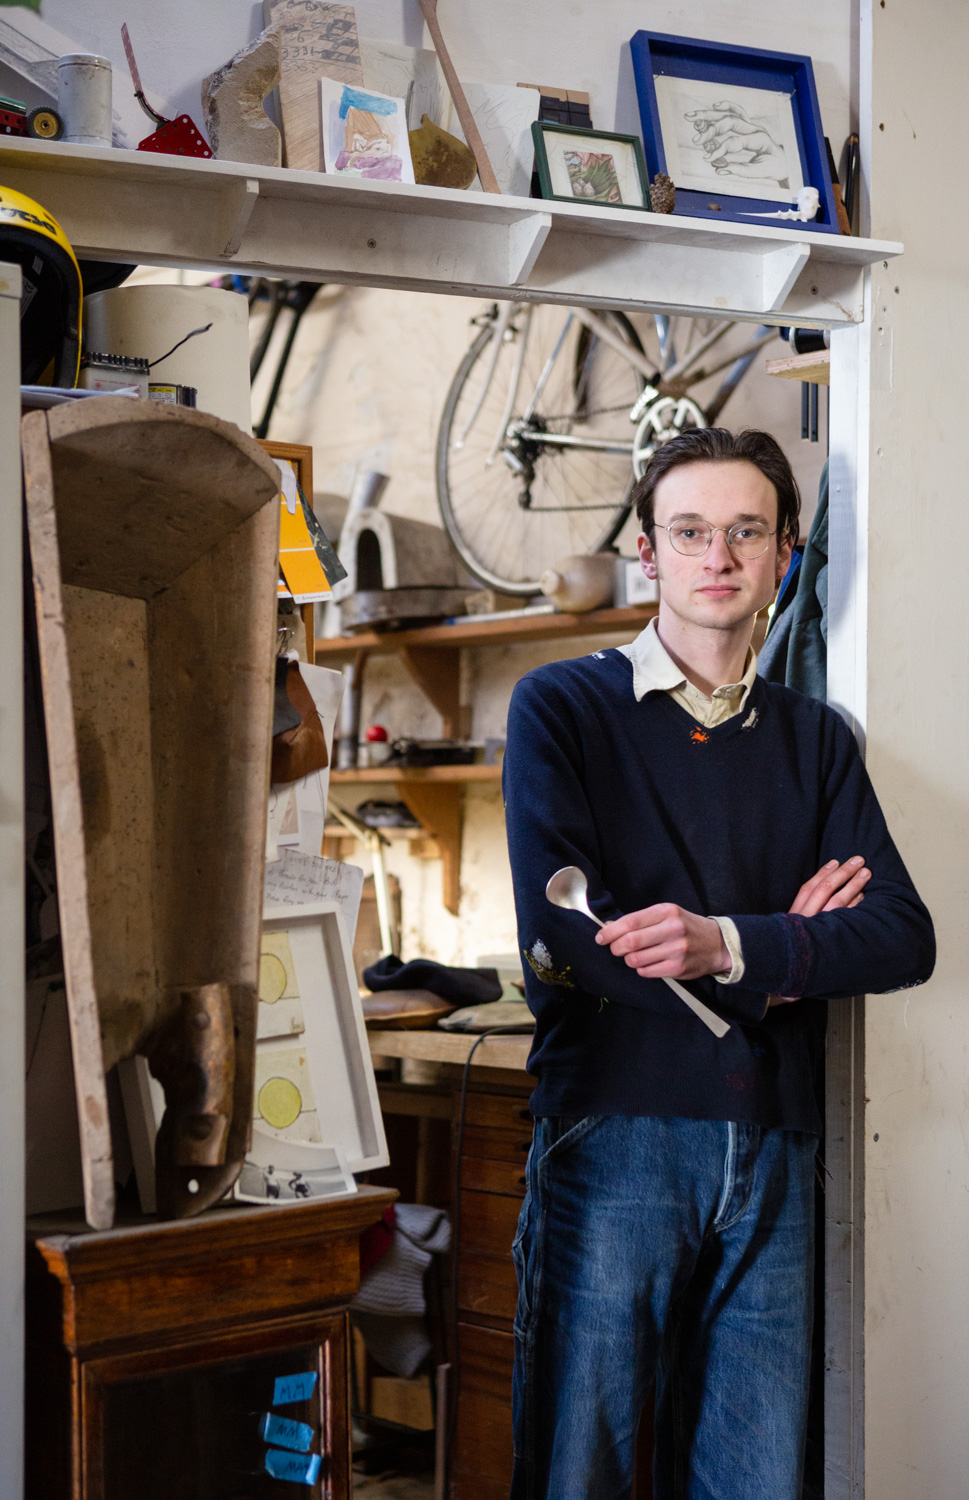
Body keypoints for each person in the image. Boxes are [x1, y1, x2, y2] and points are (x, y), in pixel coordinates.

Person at [502, 427, 935, 1500]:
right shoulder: (562, 709)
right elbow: (568, 931)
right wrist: (791, 950)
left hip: (780, 1144)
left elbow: (901, 935)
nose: (719, 557)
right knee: (580, 1472)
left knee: (757, 1480)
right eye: (689, 532)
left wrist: (722, 942)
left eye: (747, 532)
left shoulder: (818, 741)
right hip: (616, 1138)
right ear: (647, 552)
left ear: (787, 554)